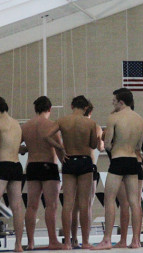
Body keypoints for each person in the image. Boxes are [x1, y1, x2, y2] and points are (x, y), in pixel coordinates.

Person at [93, 89, 143, 250]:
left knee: (109, 199)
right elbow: (139, 146)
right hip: (134, 161)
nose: (112, 104)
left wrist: (113, 148)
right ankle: (135, 240)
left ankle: (107, 240)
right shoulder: (140, 120)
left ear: (121, 102)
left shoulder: (114, 117)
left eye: (114, 101)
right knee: (134, 202)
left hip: (118, 160)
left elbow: (106, 144)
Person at [46, 95, 98, 250]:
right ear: (86, 108)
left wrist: (61, 147)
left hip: (69, 161)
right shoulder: (90, 123)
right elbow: (94, 145)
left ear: (71, 106)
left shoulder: (62, 121)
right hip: (84, 161)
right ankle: (86, 241)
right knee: (84, 204)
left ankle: (67, 242)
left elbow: (46, 136)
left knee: (67, 204)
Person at [22, 96, 64, 250]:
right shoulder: (51, 125)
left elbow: (18, 147)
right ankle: (53, 241)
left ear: (35, 109)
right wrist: (65, 167)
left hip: (32, 166)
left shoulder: (26, 126)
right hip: (48, 166)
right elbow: (59, 149)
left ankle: (31, 243)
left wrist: (28, 148)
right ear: (50, 109)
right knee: (51, 205)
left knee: (31, 206)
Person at [71, 100, 104, 248]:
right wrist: (101, 138)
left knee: (73, 206)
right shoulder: (95, 126)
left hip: (71, 164)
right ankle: (86, 239)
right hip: (89, 166)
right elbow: (101, 148)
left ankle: (73, 239)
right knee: (87, 205)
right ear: (90, 112)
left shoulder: (71, 124)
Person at [0, 97, 24, 252]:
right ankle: (19, 245)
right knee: (17, 207)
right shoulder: (16, 124)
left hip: (2, 165)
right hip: (16, 166)